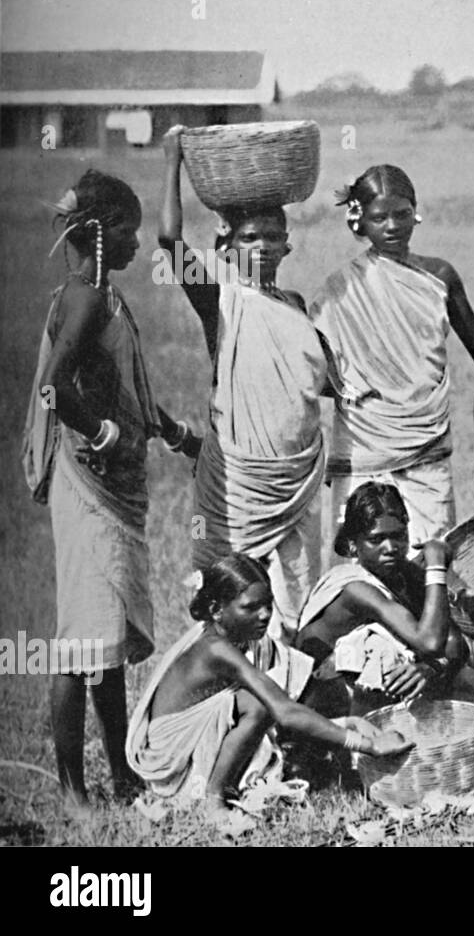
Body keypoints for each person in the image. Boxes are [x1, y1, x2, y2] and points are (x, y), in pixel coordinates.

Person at [21, 170, 200, 810]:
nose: (137, 240)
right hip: (89, 484)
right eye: (127, 227)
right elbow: (57, 386)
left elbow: (125, 390)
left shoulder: (104, 293)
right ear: (98, 230)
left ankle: (122, 777)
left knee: (108, 639)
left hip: (113, 487)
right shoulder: (85, 299)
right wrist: (103, 437)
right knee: (78, 644)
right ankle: (73, 794)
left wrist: (179, 437)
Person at [158, 125, 332, 637]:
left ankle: (286, 706)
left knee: (297, 608)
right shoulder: (222, 301)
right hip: (237, 481)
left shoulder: (295, 308)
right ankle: (219, 704)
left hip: (296, 480)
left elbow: (311, 385)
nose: (263, 246)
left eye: (273, 236)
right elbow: (168, 241)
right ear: (226, 244)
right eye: (249, 237)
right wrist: (173, 160)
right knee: (224, 598)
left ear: (288, 244)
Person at [126, 554, 409, 807]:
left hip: (196, 741)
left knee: (273, 694)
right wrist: (366, 744)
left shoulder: (244, 640)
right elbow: (282, 711)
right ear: (216, 610)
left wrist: (344, 723)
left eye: (268, 605)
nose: (264, 615)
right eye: (250, 607)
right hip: (172, 760)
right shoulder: (216, 648)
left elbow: (292, 695)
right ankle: (213, 796)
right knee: (258, 704)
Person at [311, 164, 474, 584]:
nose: (392, 226)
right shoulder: (341, 289)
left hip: (428, 447)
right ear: (359, 221)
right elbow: (313, 372)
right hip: (365, 445)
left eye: (401, 214)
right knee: (359, 571)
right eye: (379, 217)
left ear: (416, 212)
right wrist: (356, 390)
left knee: (434, 563)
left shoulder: (439, 277)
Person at [295, 482, 466, 718]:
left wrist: (431, 668)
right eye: (376, 540)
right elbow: (430, 642)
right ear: (354, 545)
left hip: (359, 696)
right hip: (321, 700)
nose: (391, 548)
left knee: (446, 672)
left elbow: (455, 643)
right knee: (384, 653)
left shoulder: (405, 573)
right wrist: (436, 567)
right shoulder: (356, 589)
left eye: (398, 536)